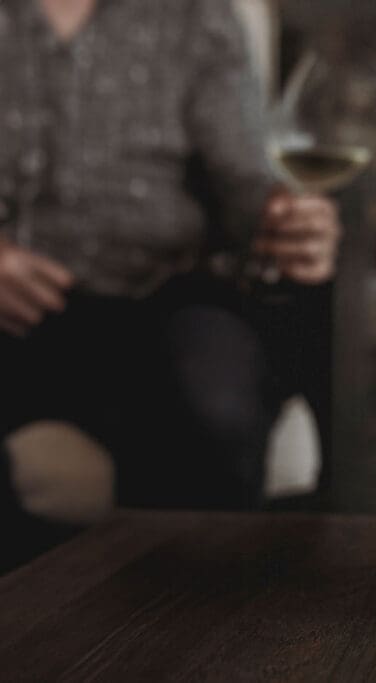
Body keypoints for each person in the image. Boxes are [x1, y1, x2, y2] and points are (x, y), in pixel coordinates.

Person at [0, 0, 341, 542]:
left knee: (214, 404)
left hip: (160, 299)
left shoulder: (195, 14)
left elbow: (246, 181)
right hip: (13, 318)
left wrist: (285, 222)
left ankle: (189, 590)